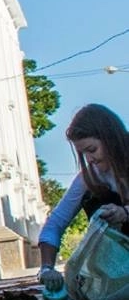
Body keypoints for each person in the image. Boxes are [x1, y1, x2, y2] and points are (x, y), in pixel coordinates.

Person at [38, 103, 129, 286]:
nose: (90, 159)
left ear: (110, 139)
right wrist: (47, 268)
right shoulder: (91, 176)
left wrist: (125, 213)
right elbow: (55, 223)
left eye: (92, 150)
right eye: (83, 153)